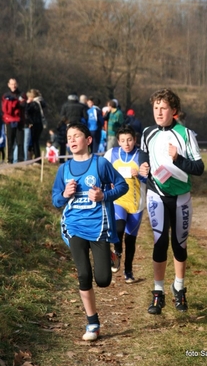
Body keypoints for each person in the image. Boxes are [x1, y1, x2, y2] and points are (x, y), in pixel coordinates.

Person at [52, 123, 128, 341]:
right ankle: (92, 323)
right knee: (83, 274)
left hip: (99, 227)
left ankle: (111, 255)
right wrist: (65, 194)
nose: (72, 140)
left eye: (77, 136)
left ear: (88, 140)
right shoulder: (63, 169)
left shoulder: (101, 164)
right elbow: (56, 200)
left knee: (103, 279)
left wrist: (104, 196)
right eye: (69, 137)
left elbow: (122, 186)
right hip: (74, 226)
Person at [139, 88, 204, 315]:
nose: (158, 112)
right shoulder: (147, 132)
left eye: (163, 108)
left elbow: (199, 168)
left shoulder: (185, 134)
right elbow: (143, 156)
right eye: (155, 108)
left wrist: (178, 158)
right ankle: (158, 293)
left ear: (173, 110)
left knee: (179, 245)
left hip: (181, 198)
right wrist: (142, 168)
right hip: (156, 195)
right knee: (159, 243)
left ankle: (179, 287)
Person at [104, 125, 147, 283]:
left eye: (129, 140)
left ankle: (128, 272)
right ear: (118, 141)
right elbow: (103, 173)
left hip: (136, 203)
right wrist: (109, 184)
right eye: (123, 140)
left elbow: (148, 178)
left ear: (135, 140)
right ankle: (117, 251)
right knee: (119, 228)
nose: (126, 143)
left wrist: (140, 176)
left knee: (130, 241)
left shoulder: (141, 155)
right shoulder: (112, 154)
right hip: (118, 200)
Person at [2, 78, 26, 163]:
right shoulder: (5, 95)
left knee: (20, 141)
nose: (13, 86)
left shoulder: (22, 94)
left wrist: (15, 103)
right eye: (12, 84)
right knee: (10, 141)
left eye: (15, 84)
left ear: (17, 84)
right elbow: (4, 108)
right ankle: (9, 159)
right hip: (9, 121)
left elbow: (23, 105)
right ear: (8, 85)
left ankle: (20, 159)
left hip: (19, 121)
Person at [26, 89, 46, 163]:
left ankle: (37, 159)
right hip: (39, 124)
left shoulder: (34, 103)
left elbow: (27, 111)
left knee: (34, 142)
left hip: (34, 124)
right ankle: (37, 158)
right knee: (36, 141)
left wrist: (28, 104)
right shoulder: (40, 102)